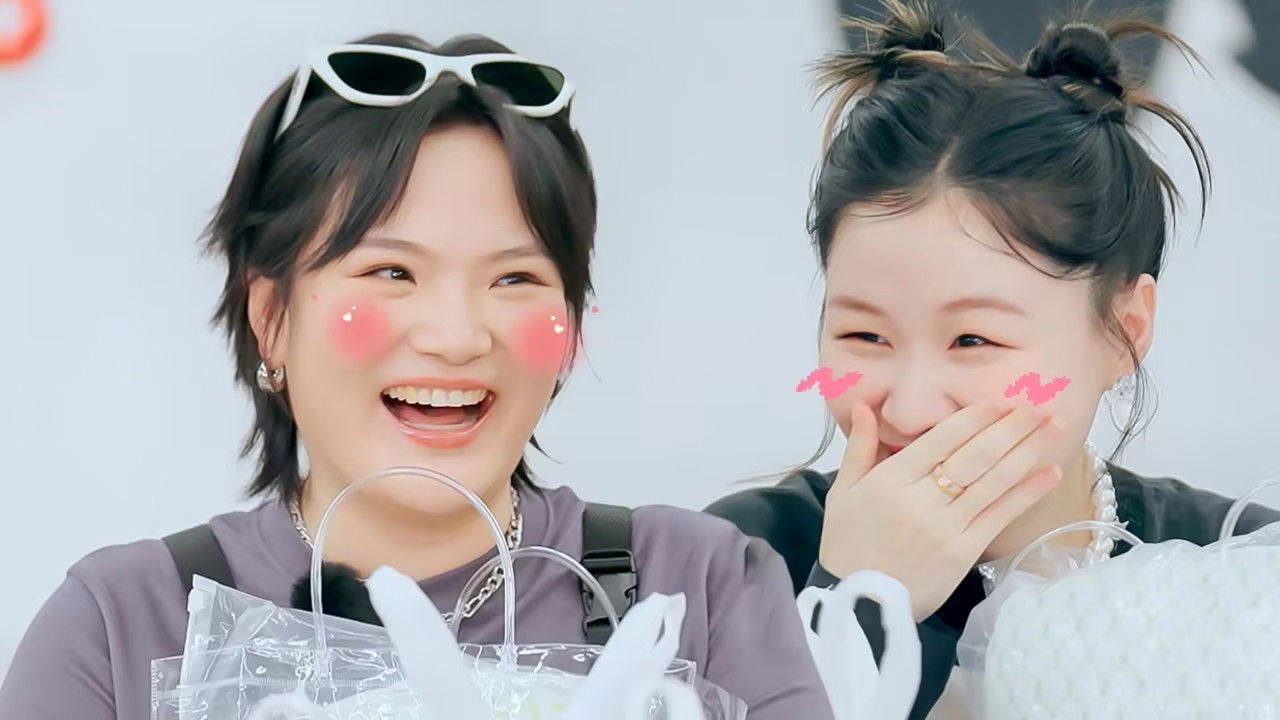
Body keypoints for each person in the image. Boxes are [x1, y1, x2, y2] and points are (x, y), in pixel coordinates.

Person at [0, 32, 834, 720]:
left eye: (515, 278)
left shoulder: (700, 590)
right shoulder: (122, 627)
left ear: (571, 326)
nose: (457, 337)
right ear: (271, 317)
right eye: (391, 273)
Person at [705, 2, 1279, 718]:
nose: (911, 407)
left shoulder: (1239, 568)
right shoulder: (735, 561)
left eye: (973, 341)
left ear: (1123, 331)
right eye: (865, 337)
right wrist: (857, 602)